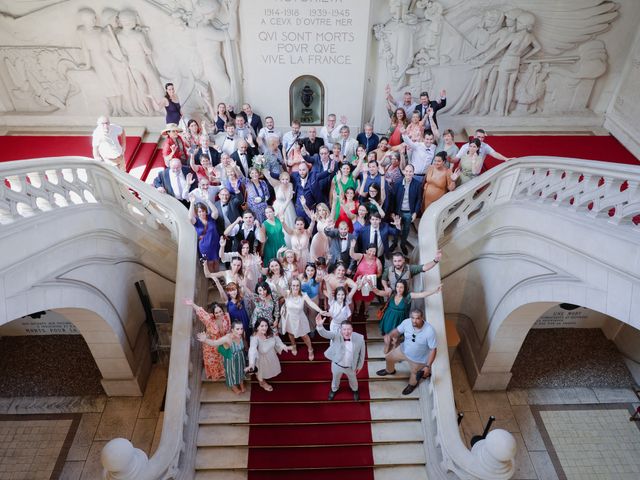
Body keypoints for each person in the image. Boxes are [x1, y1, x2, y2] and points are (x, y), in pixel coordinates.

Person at [376, 309, 438, 396]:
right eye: (412, 318)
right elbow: (397, 331)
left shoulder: (430, 331)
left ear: (422, 318)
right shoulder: (406, 322)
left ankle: (411, 385)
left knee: (414, 374)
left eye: (417, 318)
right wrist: (389, 335)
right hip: (403, 350)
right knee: (389, 358)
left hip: (418, 359)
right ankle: (389, 370)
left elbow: (433, 350)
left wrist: (428, 366)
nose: (414, 321)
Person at [372, 280, 442, 353]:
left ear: (405, 288)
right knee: (386, 334)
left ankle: (394, 347)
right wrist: (371, 286)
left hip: (400, 319)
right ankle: (387, 345)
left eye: (401, 287)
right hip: (388, 318)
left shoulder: (408, 296)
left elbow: (422, 294)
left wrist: (434, 291)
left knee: (396, 337)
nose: (399, 289)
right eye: (397, 287)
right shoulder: (391, 293)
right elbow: (378, 292)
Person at [315, 318, 366, 401]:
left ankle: (355, 390)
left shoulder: (360, 338)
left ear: (352, 329)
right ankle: (334, 389)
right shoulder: (336, 335)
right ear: (341, 330)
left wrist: (359, 366)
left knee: (353, 380)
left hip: (351, 366)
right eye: (344, 329)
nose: (346, 332)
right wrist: (320, 326)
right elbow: (325, 334)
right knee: (335, 379)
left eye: (349, 329)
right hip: (337, 365)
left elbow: (362, 354)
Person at [280, 278, 326, 360]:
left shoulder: (303, 295)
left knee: (304, 336)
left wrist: (320, 310)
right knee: (290, 334)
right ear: (290, 286)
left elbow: (311, 303)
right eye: (293, 285)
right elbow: (278, 289)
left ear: (300, 286)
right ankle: (294, 345)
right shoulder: (287, 293)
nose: (295, 287)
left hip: (300, 318)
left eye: (297, 285)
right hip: (289, 318)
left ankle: (310, 349)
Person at [196, 320, 246, 395]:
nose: (240, 331)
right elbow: (214, 343)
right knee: (231, 373)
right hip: (231, 360)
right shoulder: (227, 338)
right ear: (232, 330)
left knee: (240, 371)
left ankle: (241, 383)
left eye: (241, 329)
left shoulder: (242, 334)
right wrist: (205, 340)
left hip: (240, 358)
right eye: (238, 329)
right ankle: (233, 386)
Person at [186, 300, 230, 380]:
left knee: (222, 360)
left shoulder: (226, 317)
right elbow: (201, 311)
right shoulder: (209, 320)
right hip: (211, 346)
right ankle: (216, 375)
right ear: (213, 314)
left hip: (222, 343)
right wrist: (192, 304)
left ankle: (223, 373)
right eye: (216, 313)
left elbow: (229, 329)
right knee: (214, 362)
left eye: (220, 311)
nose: (219, 314)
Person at [247, 318, 291, 391]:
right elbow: (252, 350)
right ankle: (262, 383)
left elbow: (277, 340)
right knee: (260, 373)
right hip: (262, 359)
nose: (264, 328)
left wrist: (283, 346)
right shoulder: (254, 338)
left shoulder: (271, 332)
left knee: (270, 369)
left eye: (266, 325)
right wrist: (251, 363)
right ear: (257, 327)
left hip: (271, 355)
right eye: (262, 326)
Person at [392, 164, 422, 255]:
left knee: (406, 229)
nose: (408, 173)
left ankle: (403, 244)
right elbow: (393, 199)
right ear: (404, 171)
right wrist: (393, 213)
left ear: (413, 173)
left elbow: (419, 200)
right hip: (398, 211)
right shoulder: (397, 183)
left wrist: (415, 213)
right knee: (396, 229)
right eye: (407, 171)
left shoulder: (417, 184)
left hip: (409, 212)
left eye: (410, 171)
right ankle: (394, 243)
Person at [349, 241, 383, 315]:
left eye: (374, 251)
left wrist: (371, 277)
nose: (372, 253)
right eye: (370, 251)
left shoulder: (377, 261)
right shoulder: (361, 256)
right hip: (358, 281)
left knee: (368, 299)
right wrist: (352, 247)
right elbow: (352, 255)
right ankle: (357, 309)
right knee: (358, 297)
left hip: (370, 282)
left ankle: (366, 310)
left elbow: (379, 274)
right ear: (367, 250)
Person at [189, 202, 220, 270]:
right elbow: (190, 217)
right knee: (210, 263)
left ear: (206, 211)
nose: (202, 213)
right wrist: (192, 203)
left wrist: (207, 200)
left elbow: (215, 212)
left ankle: (218, 277)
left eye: (203, 211)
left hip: (215, 244)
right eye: (199, 212)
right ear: (197, 213)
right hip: (205, 247)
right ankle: (212, 279)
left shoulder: (210, 217)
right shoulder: (196, 221)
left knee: (217, 261)